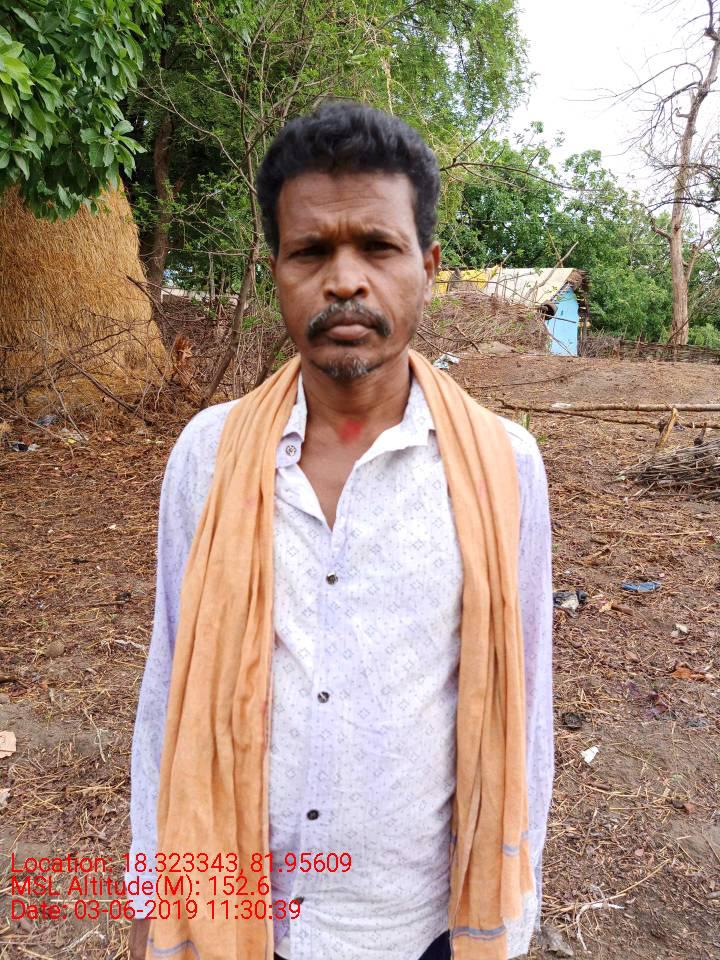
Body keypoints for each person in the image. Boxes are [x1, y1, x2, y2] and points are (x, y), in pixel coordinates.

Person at [127, 100, 553, 960]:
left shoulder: (504, 466)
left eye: (378, 247)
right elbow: (169, 687)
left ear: (427, 266)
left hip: (418, 925)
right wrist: (151, 903)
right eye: (312, 251)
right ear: (276, 270)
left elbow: (526, 707)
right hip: (239, 919)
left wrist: (509, 918)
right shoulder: (208, 455)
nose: (345, 279)